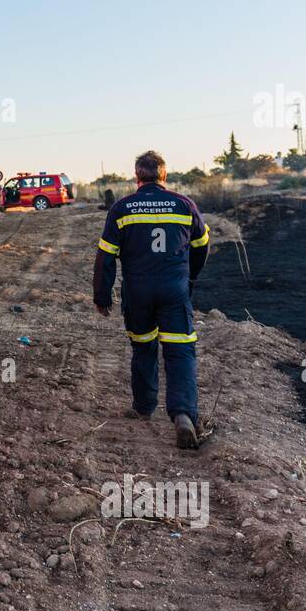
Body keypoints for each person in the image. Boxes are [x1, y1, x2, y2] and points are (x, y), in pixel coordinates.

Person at [91, 151, 210, 448]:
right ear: (164, 176)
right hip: (174, 290)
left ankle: (143, 407)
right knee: (180, 351)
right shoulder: (185, 205)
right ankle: (183, 414)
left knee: (143, 347)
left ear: (136, 177)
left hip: (138, 292)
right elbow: (202, 246)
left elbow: (105, 256)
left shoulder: (122, 208)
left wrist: (102, 296)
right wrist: (190, 277)